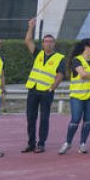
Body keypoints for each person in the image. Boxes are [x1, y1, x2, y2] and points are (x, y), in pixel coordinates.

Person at [23, 18, 63, 154]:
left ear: (54, 43)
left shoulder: (59, 58)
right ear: (43, 43)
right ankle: (31, 143)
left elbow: (60, 74)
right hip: (33, 89)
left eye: (51, 41)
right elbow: (28, 41)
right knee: (30, 117)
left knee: (44, 118)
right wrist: (30, 27)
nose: (48, 44)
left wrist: (53, 86)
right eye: (46, 41)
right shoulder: (38, 53)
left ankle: (41, 143)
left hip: (46, 91)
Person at [60, 38, 90, 155]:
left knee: (88, 121)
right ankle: (68, 142)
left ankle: (83, 144)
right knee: (75, 120)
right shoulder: (76, 60)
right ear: (87, 47)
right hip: (78, 96)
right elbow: (83, 74)